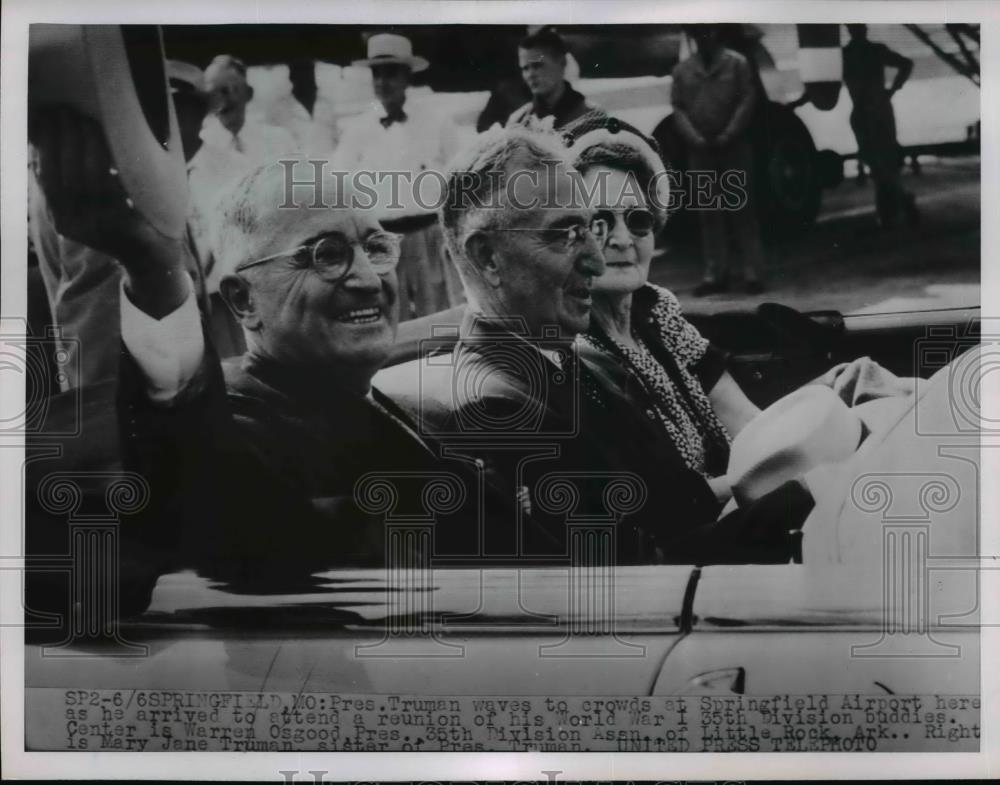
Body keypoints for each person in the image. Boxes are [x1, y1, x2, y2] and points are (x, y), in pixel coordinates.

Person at [28, 107, 501, 592]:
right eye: (327, 255)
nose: (368, 280)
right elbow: (227, 504)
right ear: (242, 299)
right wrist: (155, 275)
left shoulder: (365, 406)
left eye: (376, 247)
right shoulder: (240, 424)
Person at [376, 125, 815, 564]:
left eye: (591, 229)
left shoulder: (587, 362)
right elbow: (632, 576)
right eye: (566, 234)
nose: (597, 259)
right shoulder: (496, 410)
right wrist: (801, 502)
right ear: (488, 258)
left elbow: (683, 504)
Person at [564, 113, 762, 504]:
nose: (623, 239)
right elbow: (662, 509)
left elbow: (747, 422)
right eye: (601, 221)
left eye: (638, 221)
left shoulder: (657, 311)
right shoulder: (573, 352)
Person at [27, 60, 210, 390]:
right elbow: (102, 329)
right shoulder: (115, 182)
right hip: (138, 403)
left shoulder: (145, 175)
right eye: (174, 108)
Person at [334, 33, 464, 320]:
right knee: (392, 318)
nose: (382, 82)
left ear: (407, 77)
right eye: (376, 74)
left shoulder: (437, 122)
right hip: (382, 240)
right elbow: (338, 188)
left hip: (428, 235)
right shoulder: (358, 130)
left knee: (439, 316)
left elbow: (462, 178)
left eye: (391, 73)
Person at [187, 54, 300, 353]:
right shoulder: (197, 153)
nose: (224, 99)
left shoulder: (278, 141)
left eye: (231, 89)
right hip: (226, 284)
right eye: (216, 90)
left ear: (248, 93)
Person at [671, 24, 765, 296]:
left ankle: (753, 272)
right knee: (708, 213)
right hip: (700, 150)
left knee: (742, 210)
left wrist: (729, 132)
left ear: (718, 33)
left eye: (708, 31)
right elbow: (678, 107)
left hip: (733, 146)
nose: (704, 37)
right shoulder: (682, 71)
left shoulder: (737, 64)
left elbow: (748, 98)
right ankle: (715, 273)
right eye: (698, 33)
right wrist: (694, 136)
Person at [842, 24, 919, 229]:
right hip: (880, 111)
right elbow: (906, 64)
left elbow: (825, 82)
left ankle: (890, 209)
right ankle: (896, 205)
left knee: (876, 164)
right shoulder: (876, 51)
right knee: (884, 162)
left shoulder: (844, 55)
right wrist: (892, 90)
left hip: (862, 114)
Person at [507, 27, 599, 130]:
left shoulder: (592, 117)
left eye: (537, 66)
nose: (530, 74)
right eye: (525, 68)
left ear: (562, 63)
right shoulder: (518, 121)